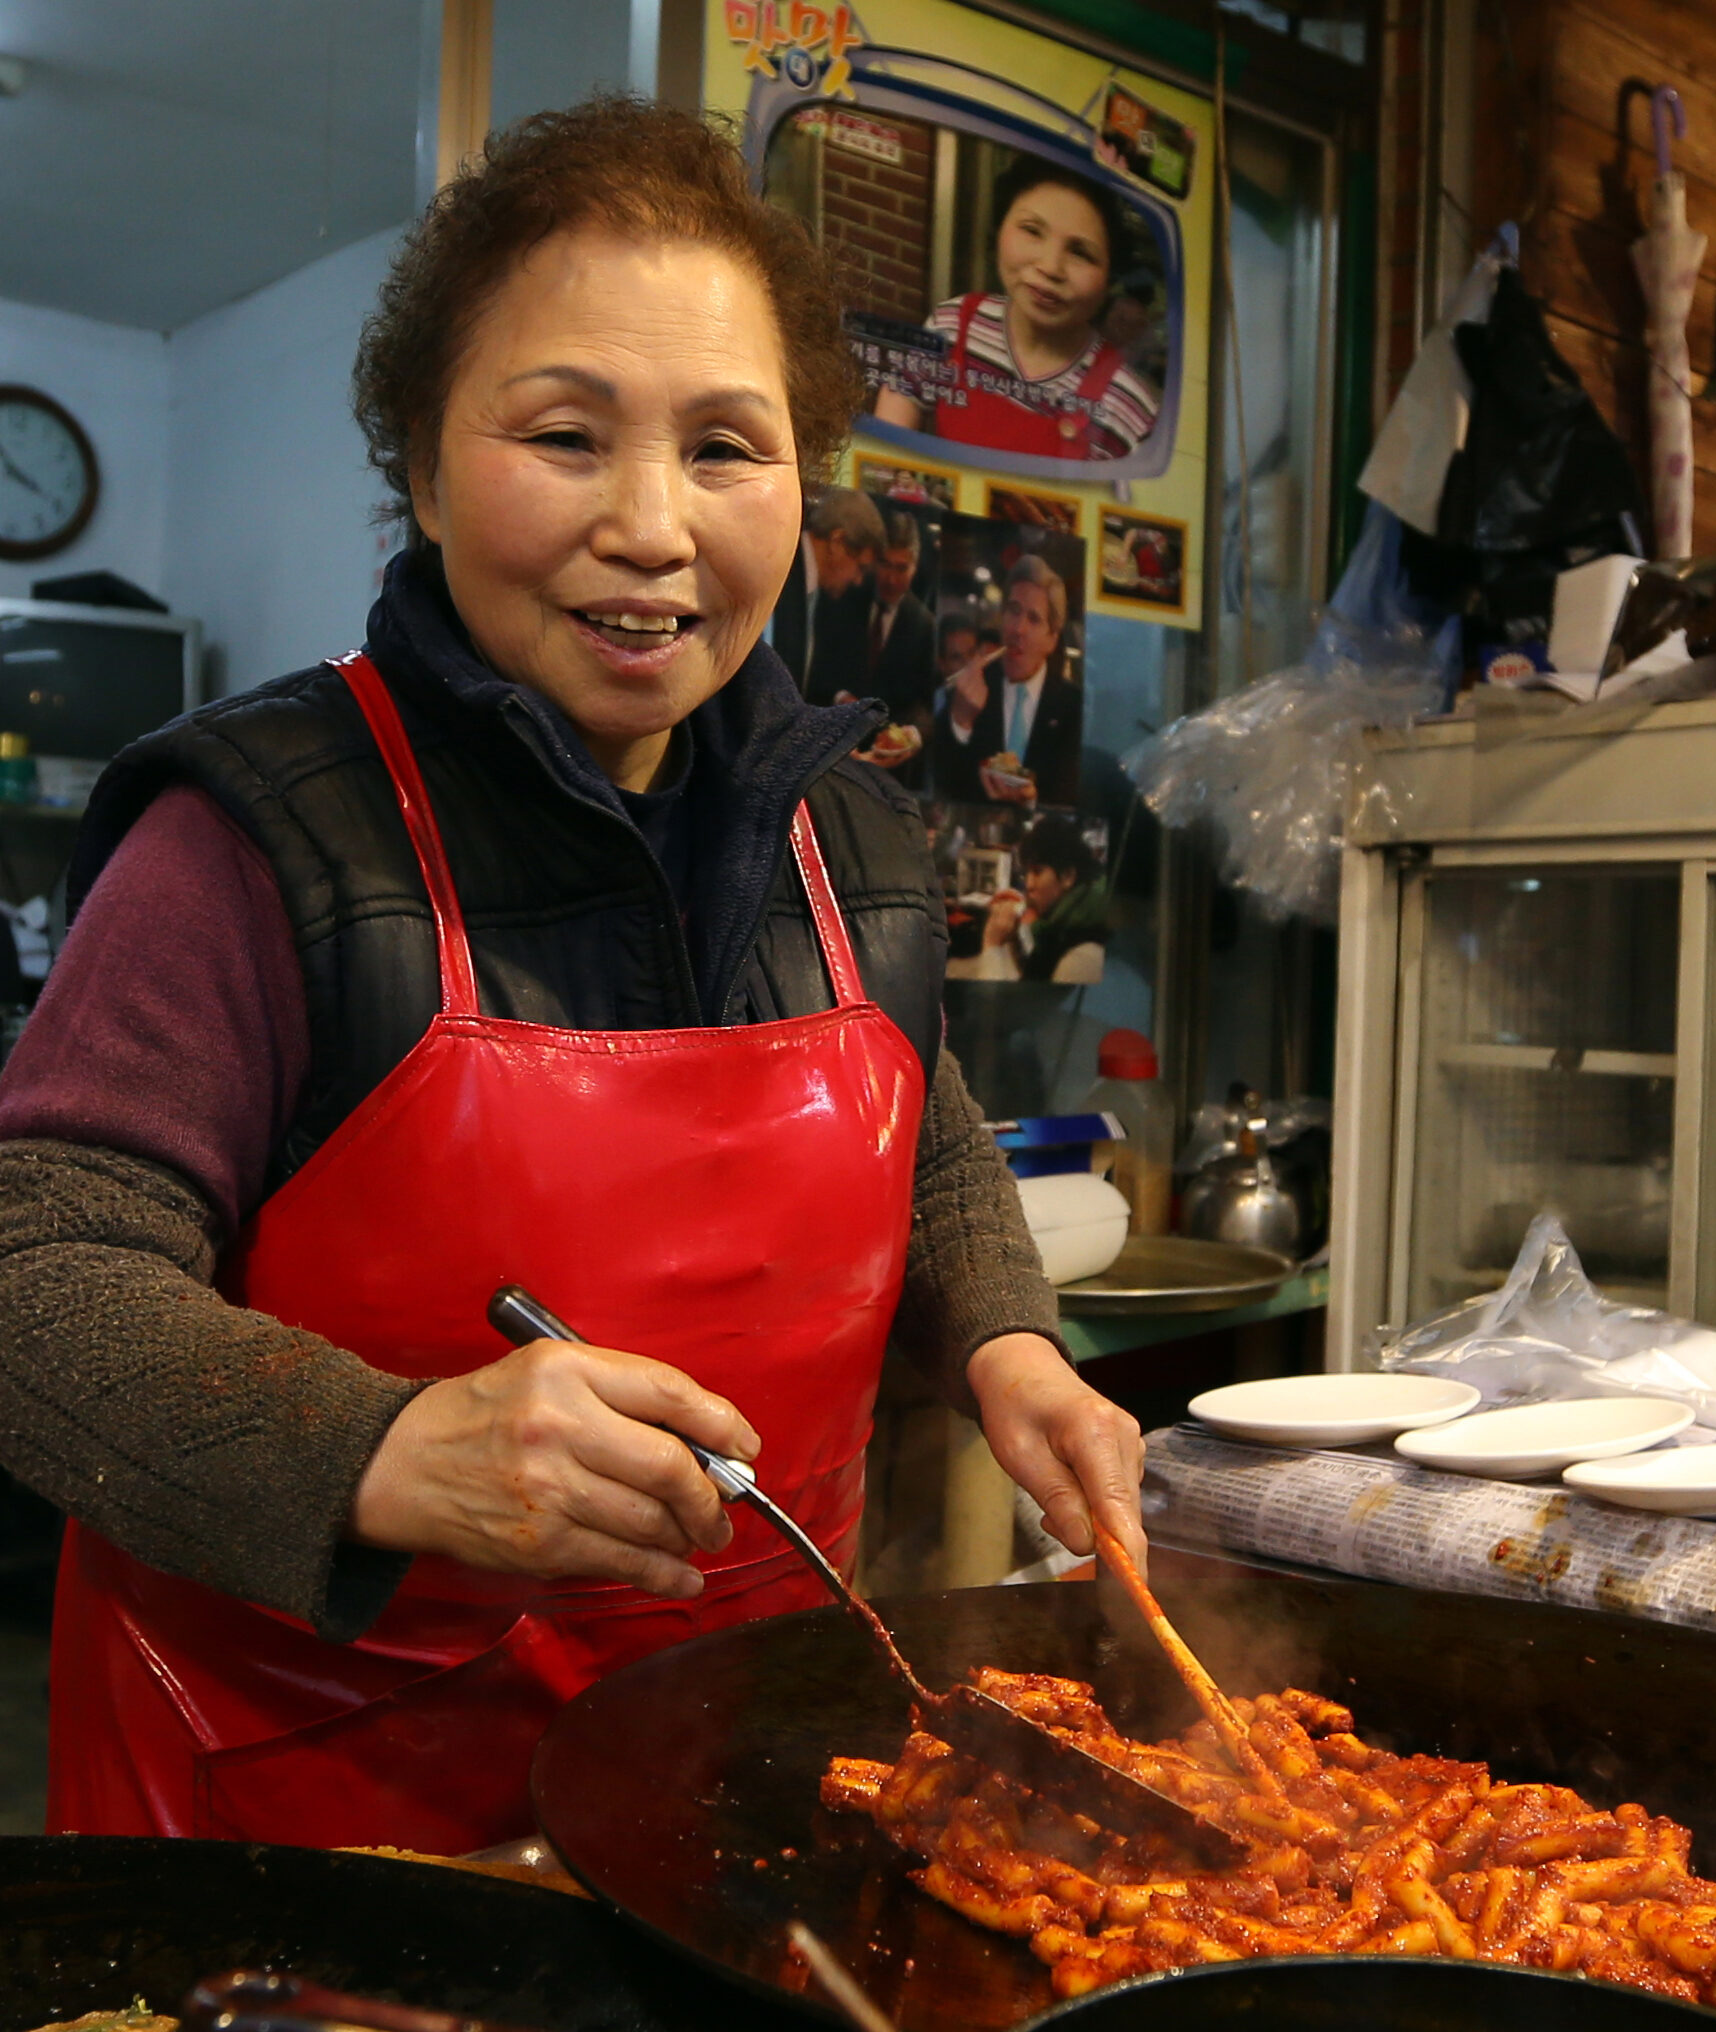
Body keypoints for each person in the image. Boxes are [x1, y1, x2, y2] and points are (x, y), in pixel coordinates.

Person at [0, 96, 1144, 1850]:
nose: (651, 526)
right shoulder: (254, 837)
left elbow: (926, 1139)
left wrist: (1008, 1344)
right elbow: (33, 1273)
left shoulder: (850, 837)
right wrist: (382, 1451)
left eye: (724, 448)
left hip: (746, 1784)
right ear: (423, 457)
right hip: (312, 1831)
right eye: (563, 434)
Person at [873, 155, 1161, 464]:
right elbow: (890, 430)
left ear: (1110, 277)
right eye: (1032, 231)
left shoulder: (1128, 405)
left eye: (1080, 252)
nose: (1050, 267)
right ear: (1000, 227)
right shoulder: (953, 324)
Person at [928, 556, 1081, 806]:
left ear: (1052, 639)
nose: (1018, 629)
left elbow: (1068, 801)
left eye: (1033, 619)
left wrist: (1031, 802)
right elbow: (941, 786)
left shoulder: (1073, 707)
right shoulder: (968, 688)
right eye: (1013, 610)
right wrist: (960, 721)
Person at [776, 486, 884, 704]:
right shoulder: (782, 572)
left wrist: (839, 697)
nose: (858, 580)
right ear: (837, 542)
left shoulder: (817, 592)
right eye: (860, 567)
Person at [976, 813, 1108, 985]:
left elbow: (1001, 1008)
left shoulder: (1082, 955)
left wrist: (992, 944)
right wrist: (1013, 942)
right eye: (1026, 874)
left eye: (1037, 872)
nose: (1029, 885)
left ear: (1068, 876)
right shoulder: (1062, 926)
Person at [862, 510, 940, 721]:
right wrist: (839, 695)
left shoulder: (925, 627)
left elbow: (925, 701)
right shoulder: (849, 596)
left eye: (901, 568)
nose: (891, 579)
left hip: (889, 744)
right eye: (885, 565)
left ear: (914, 568)